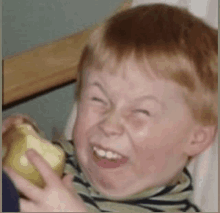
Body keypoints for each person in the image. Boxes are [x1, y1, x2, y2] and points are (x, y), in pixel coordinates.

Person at [3, 3, 217, 212]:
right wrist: (15, 143)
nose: (109, 125)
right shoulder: (65, 162)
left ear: (196, 138)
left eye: (141, 111)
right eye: (98, 99)